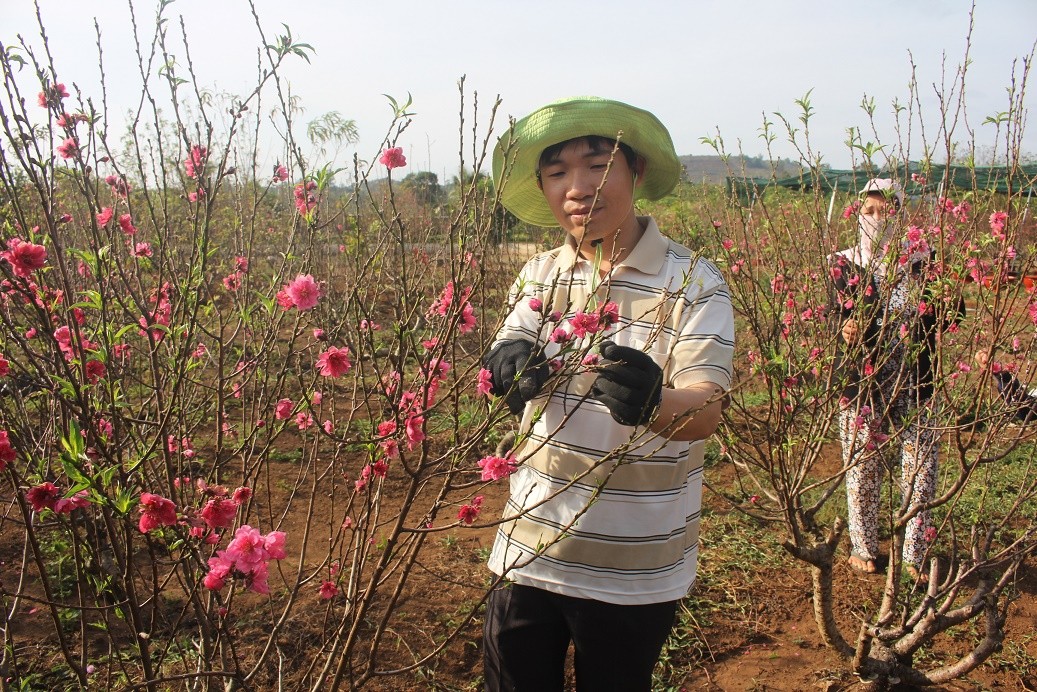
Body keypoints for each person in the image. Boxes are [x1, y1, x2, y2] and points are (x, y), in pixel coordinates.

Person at [480, 97, 734, 691]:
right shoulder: (540, 275)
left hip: (634, 567)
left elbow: (704, 409)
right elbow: (508, 349)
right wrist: (507, 366)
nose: (578, 188)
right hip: (529, 547)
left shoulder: (695, 283)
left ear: (635, 172)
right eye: (557, 172)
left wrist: (654, 403)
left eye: (597, 165)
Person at [832, 178, 961, 582]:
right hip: (863, 379)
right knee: (862, 463)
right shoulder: (844, 261)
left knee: (921, 465)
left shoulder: (922, 259)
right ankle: (864, 547)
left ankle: (914, 553)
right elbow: (833, 314)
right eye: (867, 211)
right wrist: (845, 328)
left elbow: (952, 312)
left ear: (900, 215)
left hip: (915, 376)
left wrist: (936, 292)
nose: (875, 218)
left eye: (884, 211)